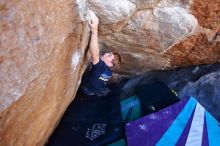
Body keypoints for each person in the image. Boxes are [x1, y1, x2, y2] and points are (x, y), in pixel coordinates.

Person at [80, 11, 121, 96]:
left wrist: (94, 30)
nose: (106, 54)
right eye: (109, 53)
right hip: (94, 92)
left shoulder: (101, 67)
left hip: (85, 90)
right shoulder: (108, 73)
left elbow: (94, 54)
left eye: (109, 56)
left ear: (110, 64)